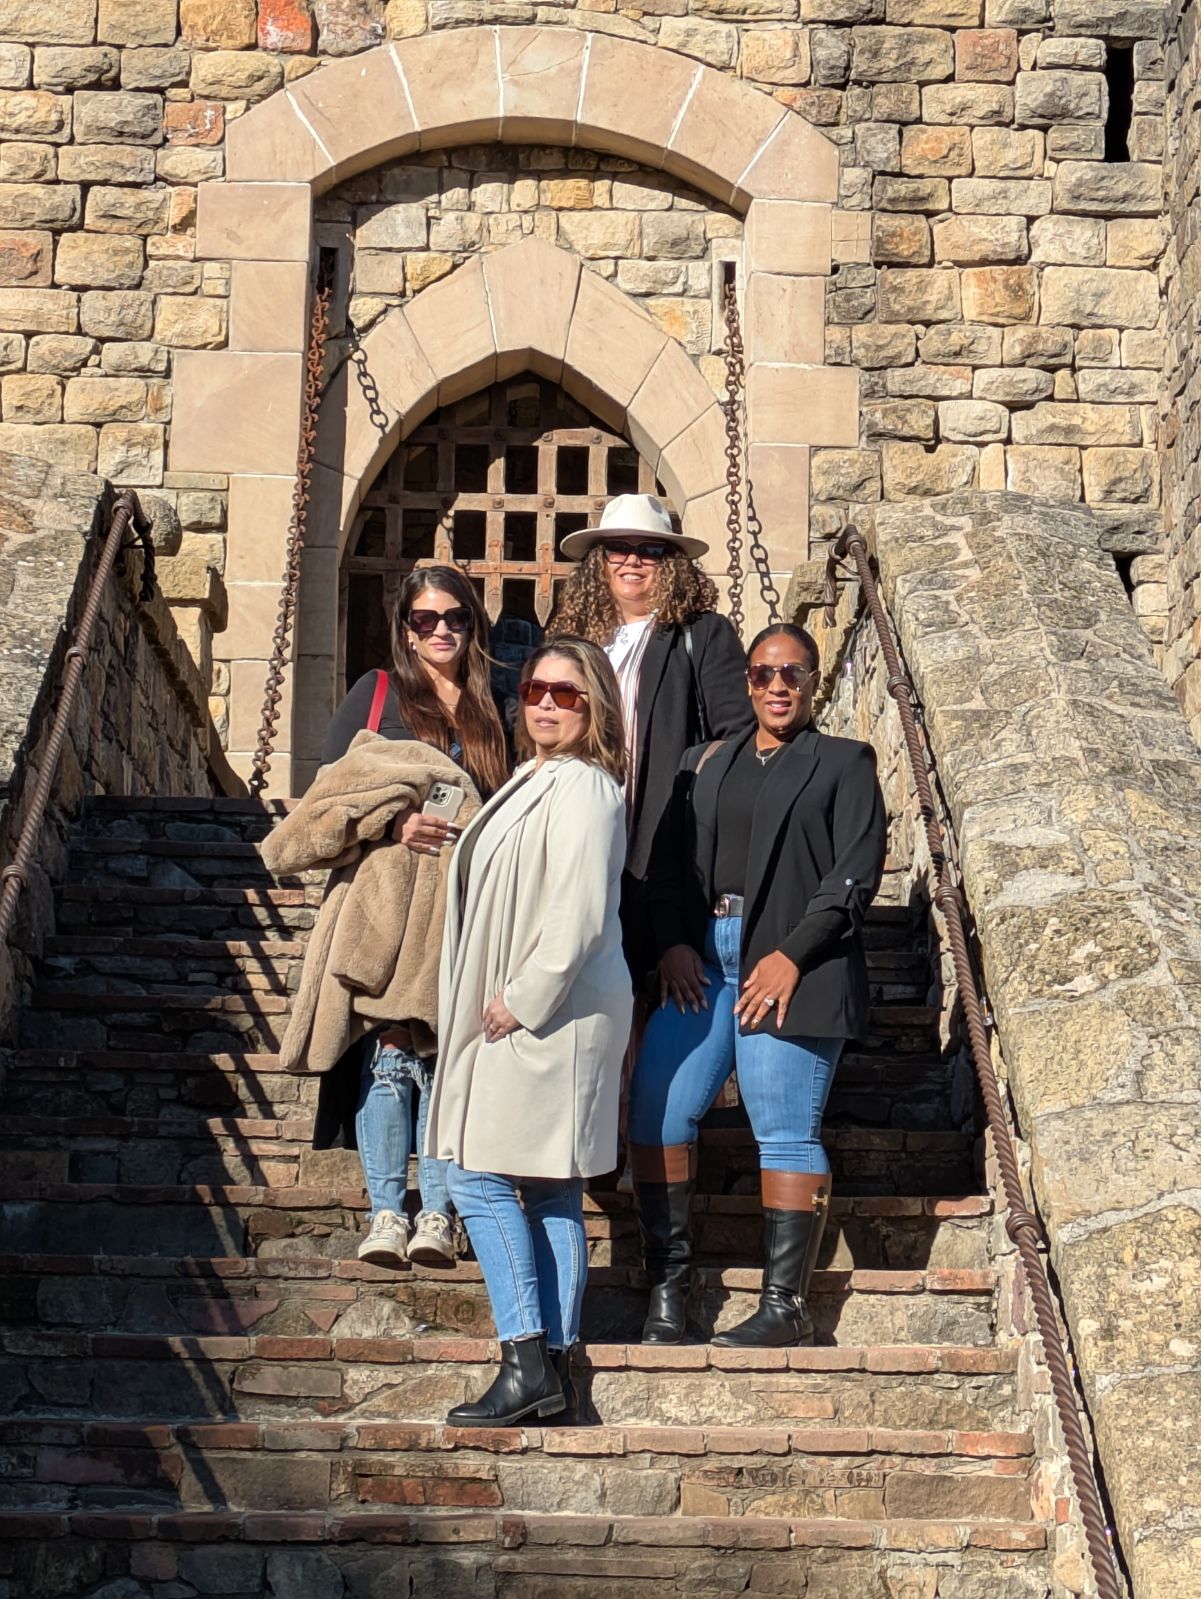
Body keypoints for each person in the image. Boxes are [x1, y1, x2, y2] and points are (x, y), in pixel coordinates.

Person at [627, 623, 887, 1347]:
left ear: (812, 683)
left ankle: (785, 1306)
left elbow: (854, 873)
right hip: (701, 964)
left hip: (793, 962)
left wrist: (790, 955)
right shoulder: (701, 764)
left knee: (780, 1121)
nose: (778, 684)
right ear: (746, 682)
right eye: (764, 672)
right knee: (657, 1110)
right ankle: (668, 1294)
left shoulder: (844, 762)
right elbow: (667, 864)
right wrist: (675, 942)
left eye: (793, 672)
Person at [425, 638, 631, 1426]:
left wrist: (524, 996)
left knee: (474, 1172)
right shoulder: (531, 777)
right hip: (531, 1002)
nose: (545, 703)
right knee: (550, 1187)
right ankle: (559, 1371)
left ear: (595, 707)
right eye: (537, 690)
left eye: (567, 694)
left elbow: (578, 910)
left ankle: (524, 1356)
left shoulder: (585, 787)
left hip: (551, 1009)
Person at [317, 567, 510, 1271]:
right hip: (392, 903)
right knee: (391, 1052)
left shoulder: (499, 704)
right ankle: (385, 1212)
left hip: (467, 905)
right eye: (424, 619)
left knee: (447, 1058)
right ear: (404, 629)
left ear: (472, 623)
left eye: (454, 617)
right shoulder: (376, 695)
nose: (440, 630)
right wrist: (394, 822)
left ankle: (438, 1210)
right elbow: (326, 793)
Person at [550, 493, 753, 982]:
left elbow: (737, 734)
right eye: (618, 547)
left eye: (650, 550)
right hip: (580, 832)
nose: (632, 560)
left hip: (658, 841)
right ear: (600, 560)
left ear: (671, 564)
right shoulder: (573, 639)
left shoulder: (701, 634)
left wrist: (691, 788)